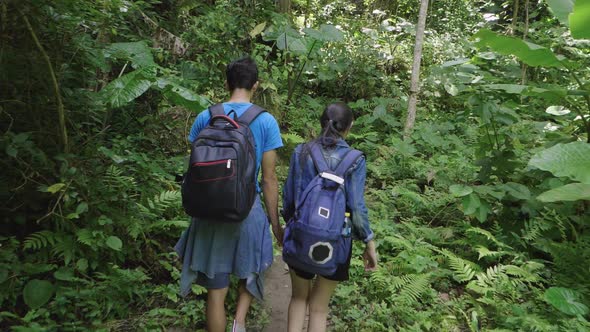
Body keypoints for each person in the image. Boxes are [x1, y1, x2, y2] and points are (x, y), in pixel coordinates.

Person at [174, 57, 284, 332]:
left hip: (209, 210)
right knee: (251, 269)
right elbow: (269, 179)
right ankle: (240, 321)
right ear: (255, 85)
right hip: (247, 211)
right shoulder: (266, 121)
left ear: (227, 83)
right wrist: (275, 223)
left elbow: (196, 167)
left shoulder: (206, 116)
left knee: (215, 290)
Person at [282, 102, 378, 332]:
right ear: (350, 126)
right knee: (319, 308)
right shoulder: (355, 159)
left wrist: (289, 227)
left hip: (301, 234)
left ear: (321, 122)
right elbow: (356, 206)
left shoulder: (302, 151)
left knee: (298, 298)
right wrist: (368, 242)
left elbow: (289, 197)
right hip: (337, 241)